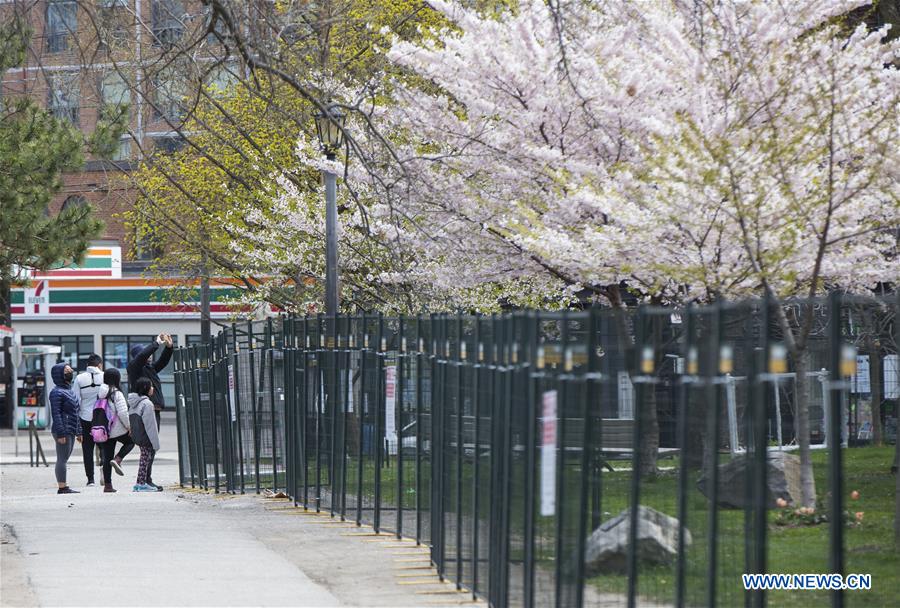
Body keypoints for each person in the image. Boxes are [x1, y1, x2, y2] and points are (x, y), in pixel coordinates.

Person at [127, 333, 173, 431]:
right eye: (148, 353)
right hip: (146, 409)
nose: (150, 355)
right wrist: (156, 343)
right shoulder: (134, 367)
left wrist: (169, 348)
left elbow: (163, 361)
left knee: (151, 439)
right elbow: (143, 355)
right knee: (148, 440)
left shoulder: (149, 368)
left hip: (154, 408)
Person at [49, 362, 82, 494]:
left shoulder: (69, 391)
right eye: (67, 370)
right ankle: (62, 487)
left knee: (65, 458)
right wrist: (61, 433)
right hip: (62, 430)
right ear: (60, 375)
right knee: (62, 458)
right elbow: (55, 414)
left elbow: (75, 412)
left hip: (71, 429)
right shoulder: (56, 393)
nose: (71, 371)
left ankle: (63, 485)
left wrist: (79, 431)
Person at [97, 368, 130, 493]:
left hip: (104, 429)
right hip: (117, 429)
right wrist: (128, 426)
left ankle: (108, 485)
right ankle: (118, 459)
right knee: (131, 441)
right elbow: (122, 412)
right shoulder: (116, 393)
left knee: (106, 457)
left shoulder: (100, 392)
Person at [128, 377, 161, 492]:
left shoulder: (133, 402)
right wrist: (156, 443)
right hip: (146, 436)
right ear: (146, 388)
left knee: (143, 459)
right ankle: (141, 484)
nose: (153, 388)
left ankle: (139, 482)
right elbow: (151, 425)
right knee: (145, 459)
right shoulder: (147, 404)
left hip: (138, 435)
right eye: (151, 386)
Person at [75, 354, 103, 486]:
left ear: (87, 365)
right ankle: (105, 473)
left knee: (87, 450)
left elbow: (76, 400)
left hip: (85, 418)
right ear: (99, 365)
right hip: (101, 417)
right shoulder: (104, 376)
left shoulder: (79, 378)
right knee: (104, 447)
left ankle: (90, 479)